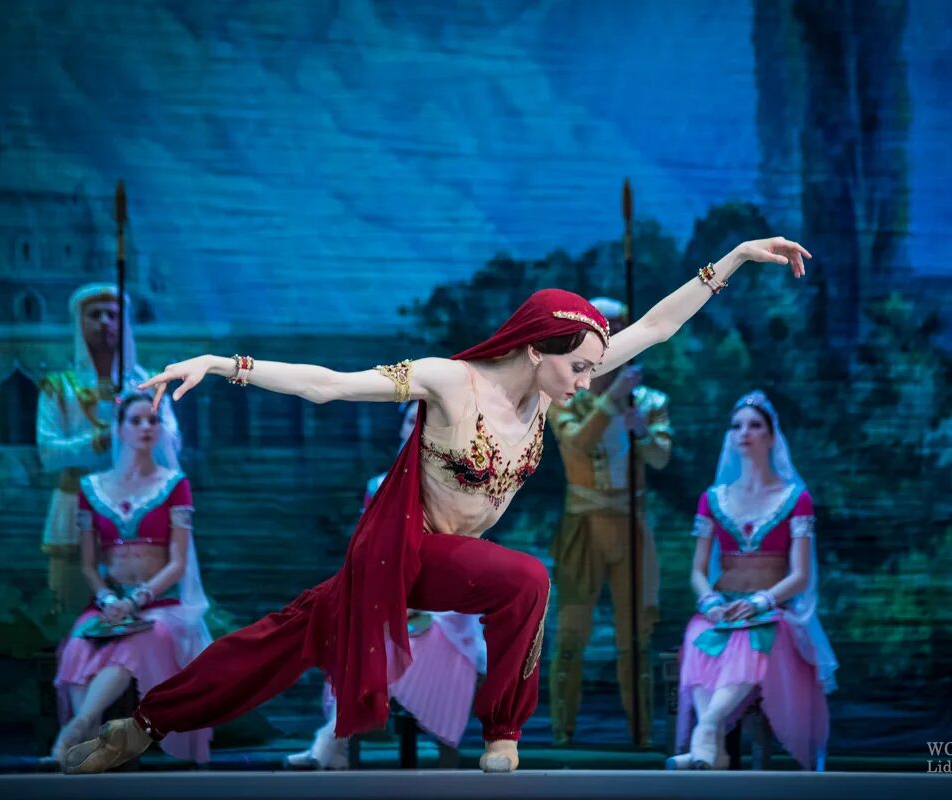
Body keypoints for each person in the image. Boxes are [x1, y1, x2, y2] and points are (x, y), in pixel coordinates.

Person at [62, 237, 811, 775]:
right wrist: (223, 364)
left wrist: (737, 258)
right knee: (278, 643)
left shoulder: (559, 375)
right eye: (580, 368)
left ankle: (502, 732)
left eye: (593, 367)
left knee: (508, 586)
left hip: (446, 562)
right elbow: (328, 385)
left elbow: (654, 327)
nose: (588, 380)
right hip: (399, 550)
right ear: (537, 349)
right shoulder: (451, 381)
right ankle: (144, 725)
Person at [286, 401, 486, 769]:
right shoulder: (379, 486)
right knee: (360, 631)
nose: (418, 426)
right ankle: (337, 737)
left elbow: (462, 552)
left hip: (444, 605)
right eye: (412, 419)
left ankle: (332, 740)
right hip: (391, 595)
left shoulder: (461, 483)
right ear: (401, 427)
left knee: (410, 638)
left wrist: (419, 598)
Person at [668, 391, 836, 771]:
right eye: (736, 426)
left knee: (750, 640)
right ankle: (713, 747)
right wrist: (711, 603)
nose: (744, 432)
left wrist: (760, 602)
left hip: (771, 614)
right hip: (723, 607)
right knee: (698, 634)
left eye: (755, 425)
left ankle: (705, 734)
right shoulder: (713, 499)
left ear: (772, 436)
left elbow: (800, 575)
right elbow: (697, 571)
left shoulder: (795, 499)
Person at [48, 391, 211, 766]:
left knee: (139, 640)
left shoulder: (174, 484)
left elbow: (178, 562)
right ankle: (88, 739)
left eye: (153, 420)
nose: (145, 428)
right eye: (136, 421)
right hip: (109, 602)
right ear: (119, 429)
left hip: (157, 605)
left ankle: (79, 727)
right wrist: (108, 599)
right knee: (78, 643)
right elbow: (88, 564)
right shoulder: (91, 488)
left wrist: (136, 600)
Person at [547, 297, 672, 746]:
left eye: (619, 329)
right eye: (604, 330)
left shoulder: (649, 400)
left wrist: (640, 428)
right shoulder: (563, 397)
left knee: (636, 636)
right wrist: (612, 399)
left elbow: (660, 457)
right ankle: (561, 736)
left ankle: (642, 735)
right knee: (571, 633)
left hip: (631, 526)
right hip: (583, 526)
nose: (612, 338)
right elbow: (577, 444)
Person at [38, 283, 181, 612]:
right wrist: (100, 440)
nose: (104, 322)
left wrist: (136, 428)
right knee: (72, 609)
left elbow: (173, 441)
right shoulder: (59, 388)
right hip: (77, 505)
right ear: (80, 322)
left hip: (138, 503)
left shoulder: (150, 385)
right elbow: (48, 453)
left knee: (142, 613)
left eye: (112, 315)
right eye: (95, 315)